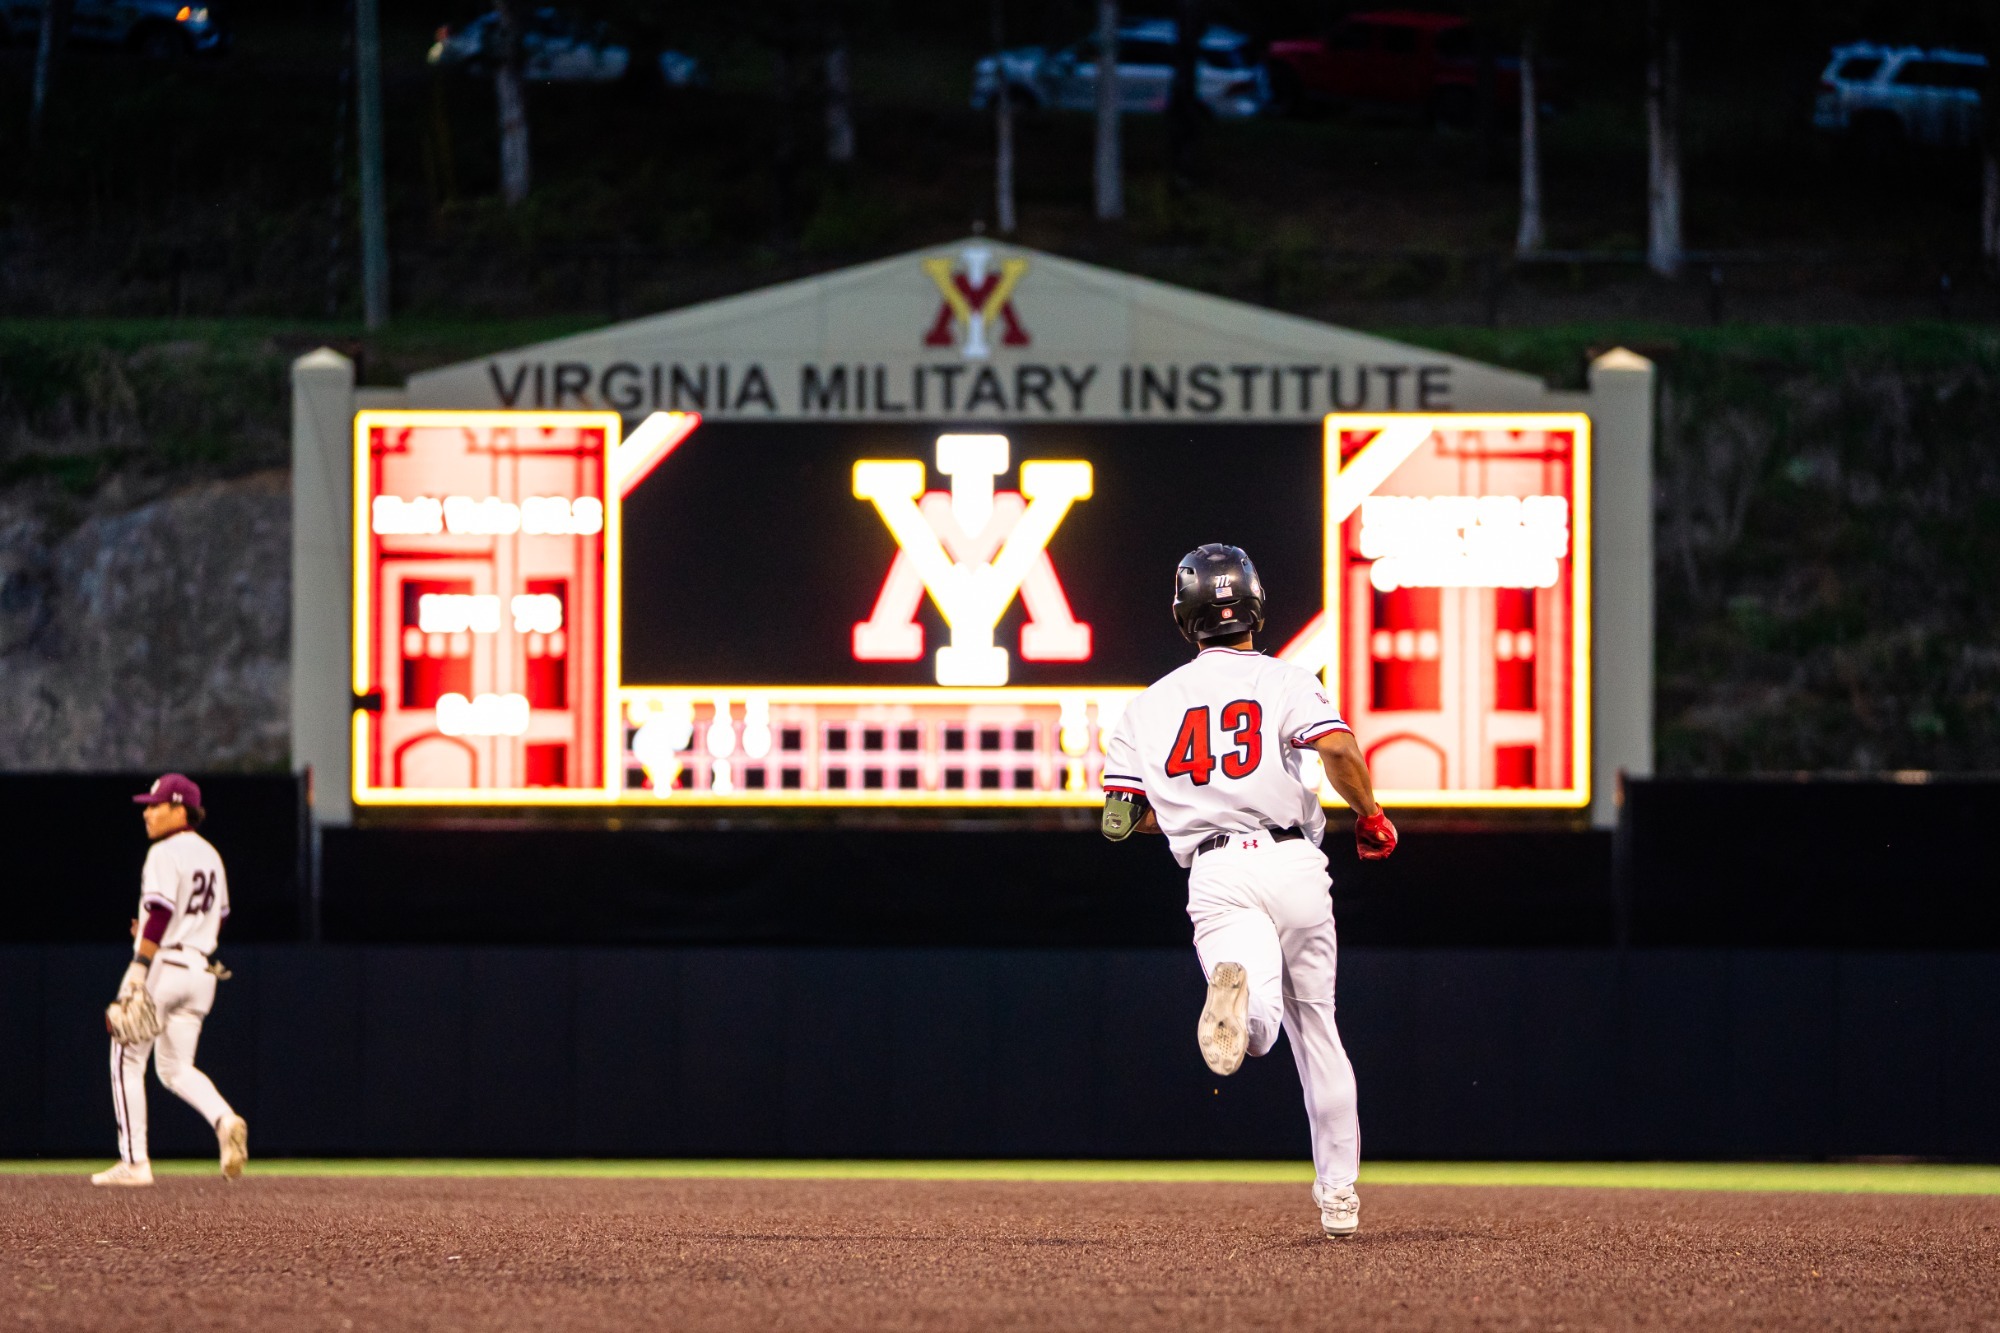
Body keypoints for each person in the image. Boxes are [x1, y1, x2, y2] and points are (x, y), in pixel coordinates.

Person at [1101, 544, 1396, 1238]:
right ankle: (1339, 1198)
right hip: (1293, 858)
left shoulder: (1147, 707)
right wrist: (1371, 815)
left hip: (1216, 870)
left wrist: (1188, 809)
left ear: (1185, 616)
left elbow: (1120, 820)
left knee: (1256, 1021)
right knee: (1317, 1029)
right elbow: (1340, 751)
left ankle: (1240, 991)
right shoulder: (1289, 680)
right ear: (1256, 605)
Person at [92, 774, 249, 1187]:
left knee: (125, 1056)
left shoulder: (164, 851)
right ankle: (224, 1118)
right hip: (201, 969)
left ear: (180, 809)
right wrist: (155, 931)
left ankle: (135, 1162)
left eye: (155, 804)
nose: (147, 812)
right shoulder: (211, 855)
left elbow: (160, 913)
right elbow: (221, 916)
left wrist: (140, 964)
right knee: (176, 1068)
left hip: (165, 966)